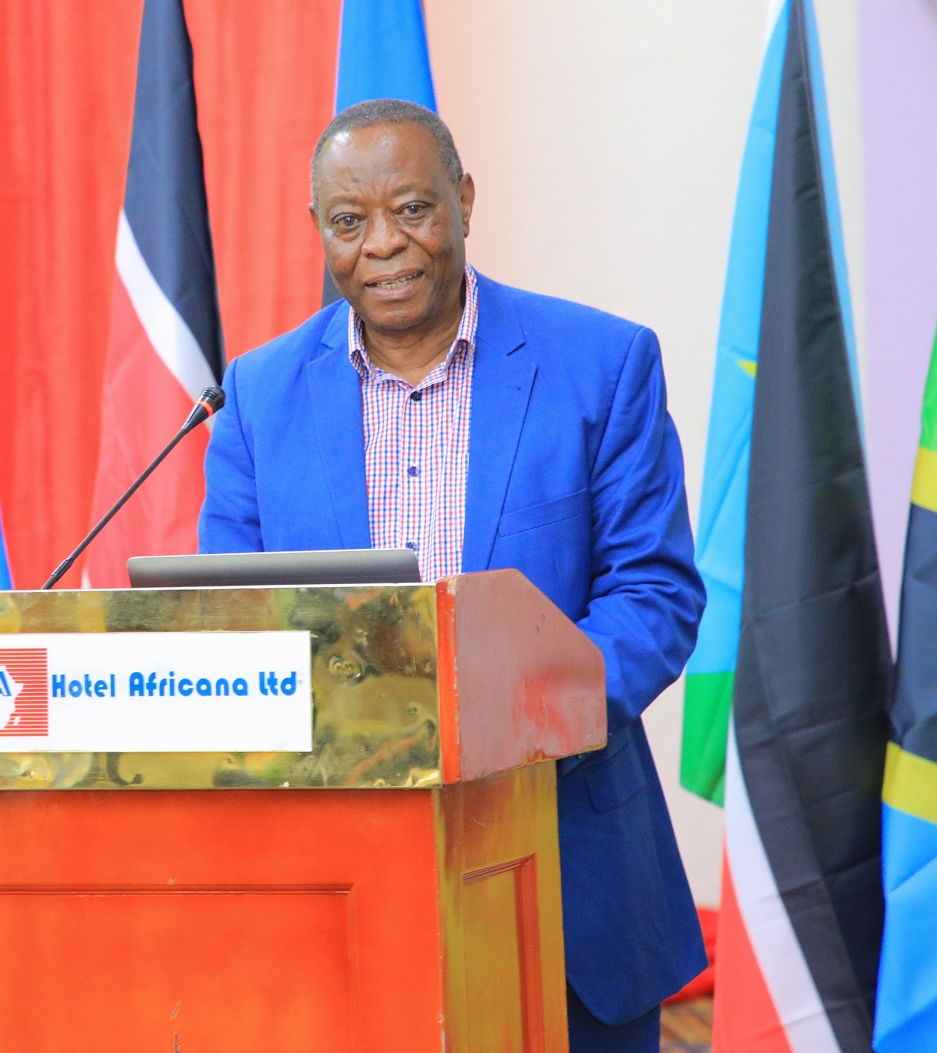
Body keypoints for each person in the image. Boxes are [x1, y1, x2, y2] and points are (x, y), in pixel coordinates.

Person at [198, 99, 706, 1052]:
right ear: (319, 233)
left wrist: (519, 713)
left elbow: (655, 595)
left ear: (464, 201)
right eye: (349, 223)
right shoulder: (258, 394)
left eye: (412, 209)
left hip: (562, 869)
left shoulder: (600, 364)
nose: (384, 246)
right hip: (330, 892)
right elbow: (227, 619)